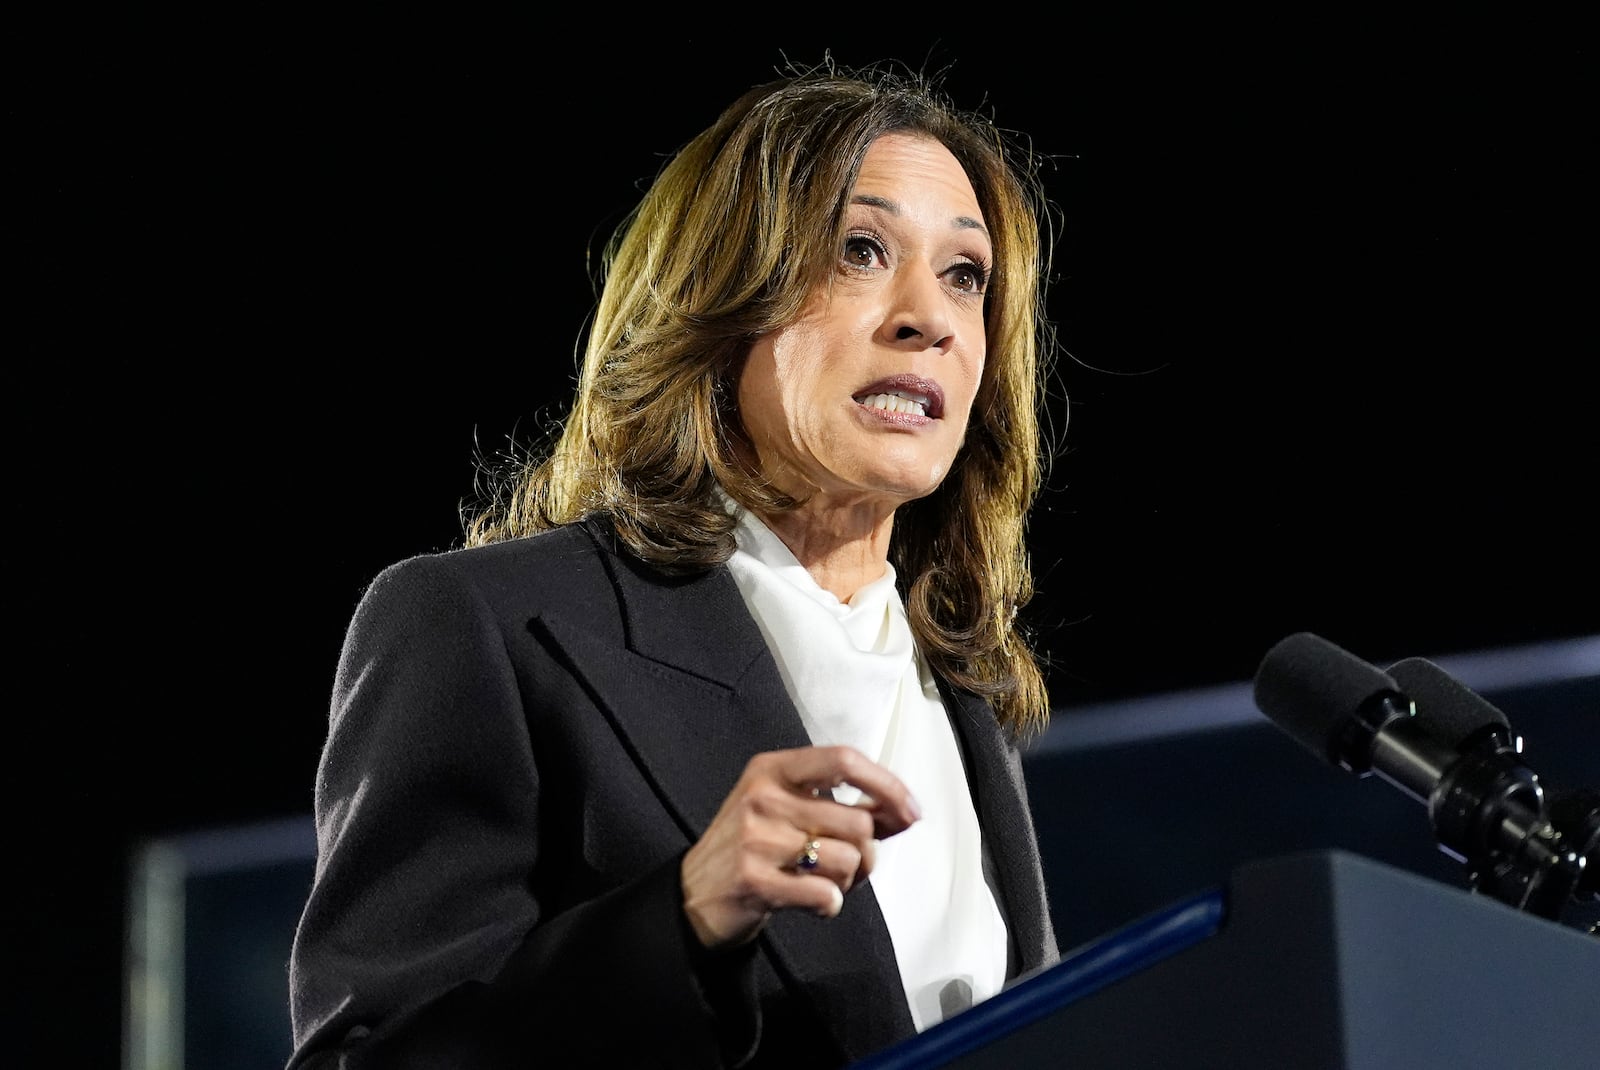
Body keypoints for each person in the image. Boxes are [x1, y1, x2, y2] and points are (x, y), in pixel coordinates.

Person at [286, 55, 1063, 1069]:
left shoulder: (968, 690)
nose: (929, 317)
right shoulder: (485, 626)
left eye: (966, 275)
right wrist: (681, 921)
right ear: (720, 298)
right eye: (860, 249)